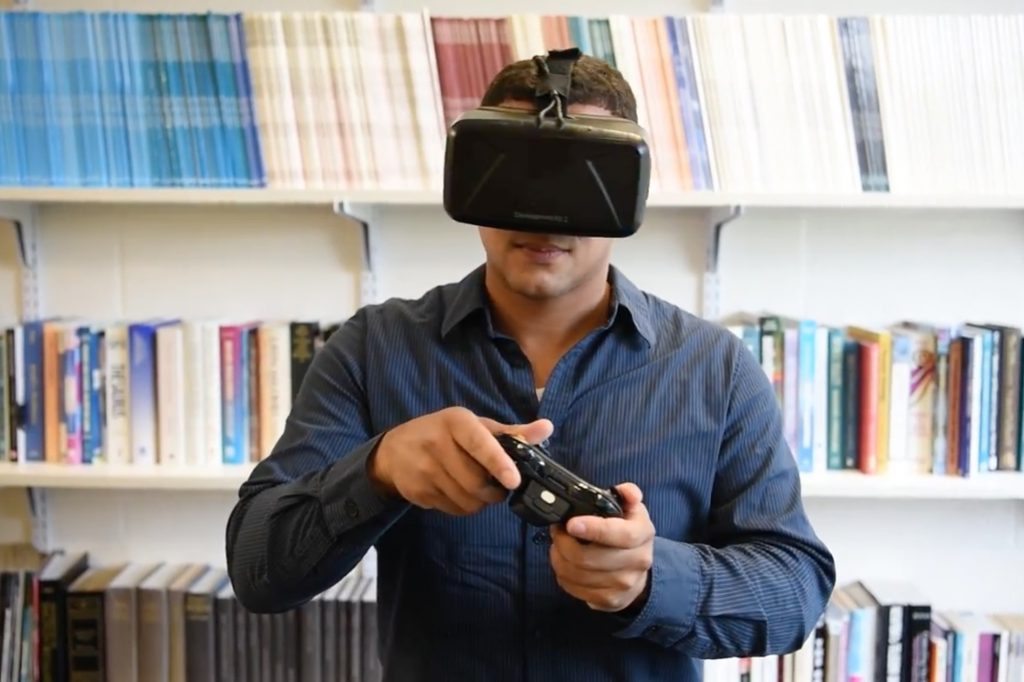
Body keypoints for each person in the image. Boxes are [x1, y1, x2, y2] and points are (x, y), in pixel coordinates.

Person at [225, 54, 836, 682]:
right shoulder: (374, 350)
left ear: (630, 192)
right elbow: (258, 571)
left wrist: (651, 580)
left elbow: (794, 593)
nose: (543, 210)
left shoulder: (713, 369)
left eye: (579, 177)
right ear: (472, 178)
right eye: (517, 173)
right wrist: (375, 473)